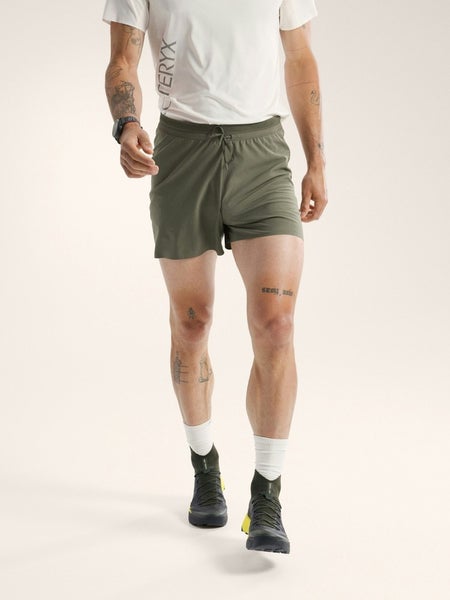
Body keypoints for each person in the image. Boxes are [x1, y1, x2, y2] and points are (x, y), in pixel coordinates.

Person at [103, 0, 327, 554]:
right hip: (182, 153)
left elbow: (300, 58)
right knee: (192, 324)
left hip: (261, 155)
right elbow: (123, 60)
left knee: (276, 325)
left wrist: (317, 161)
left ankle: (267, 494)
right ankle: (205, 466)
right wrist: (127, 123)